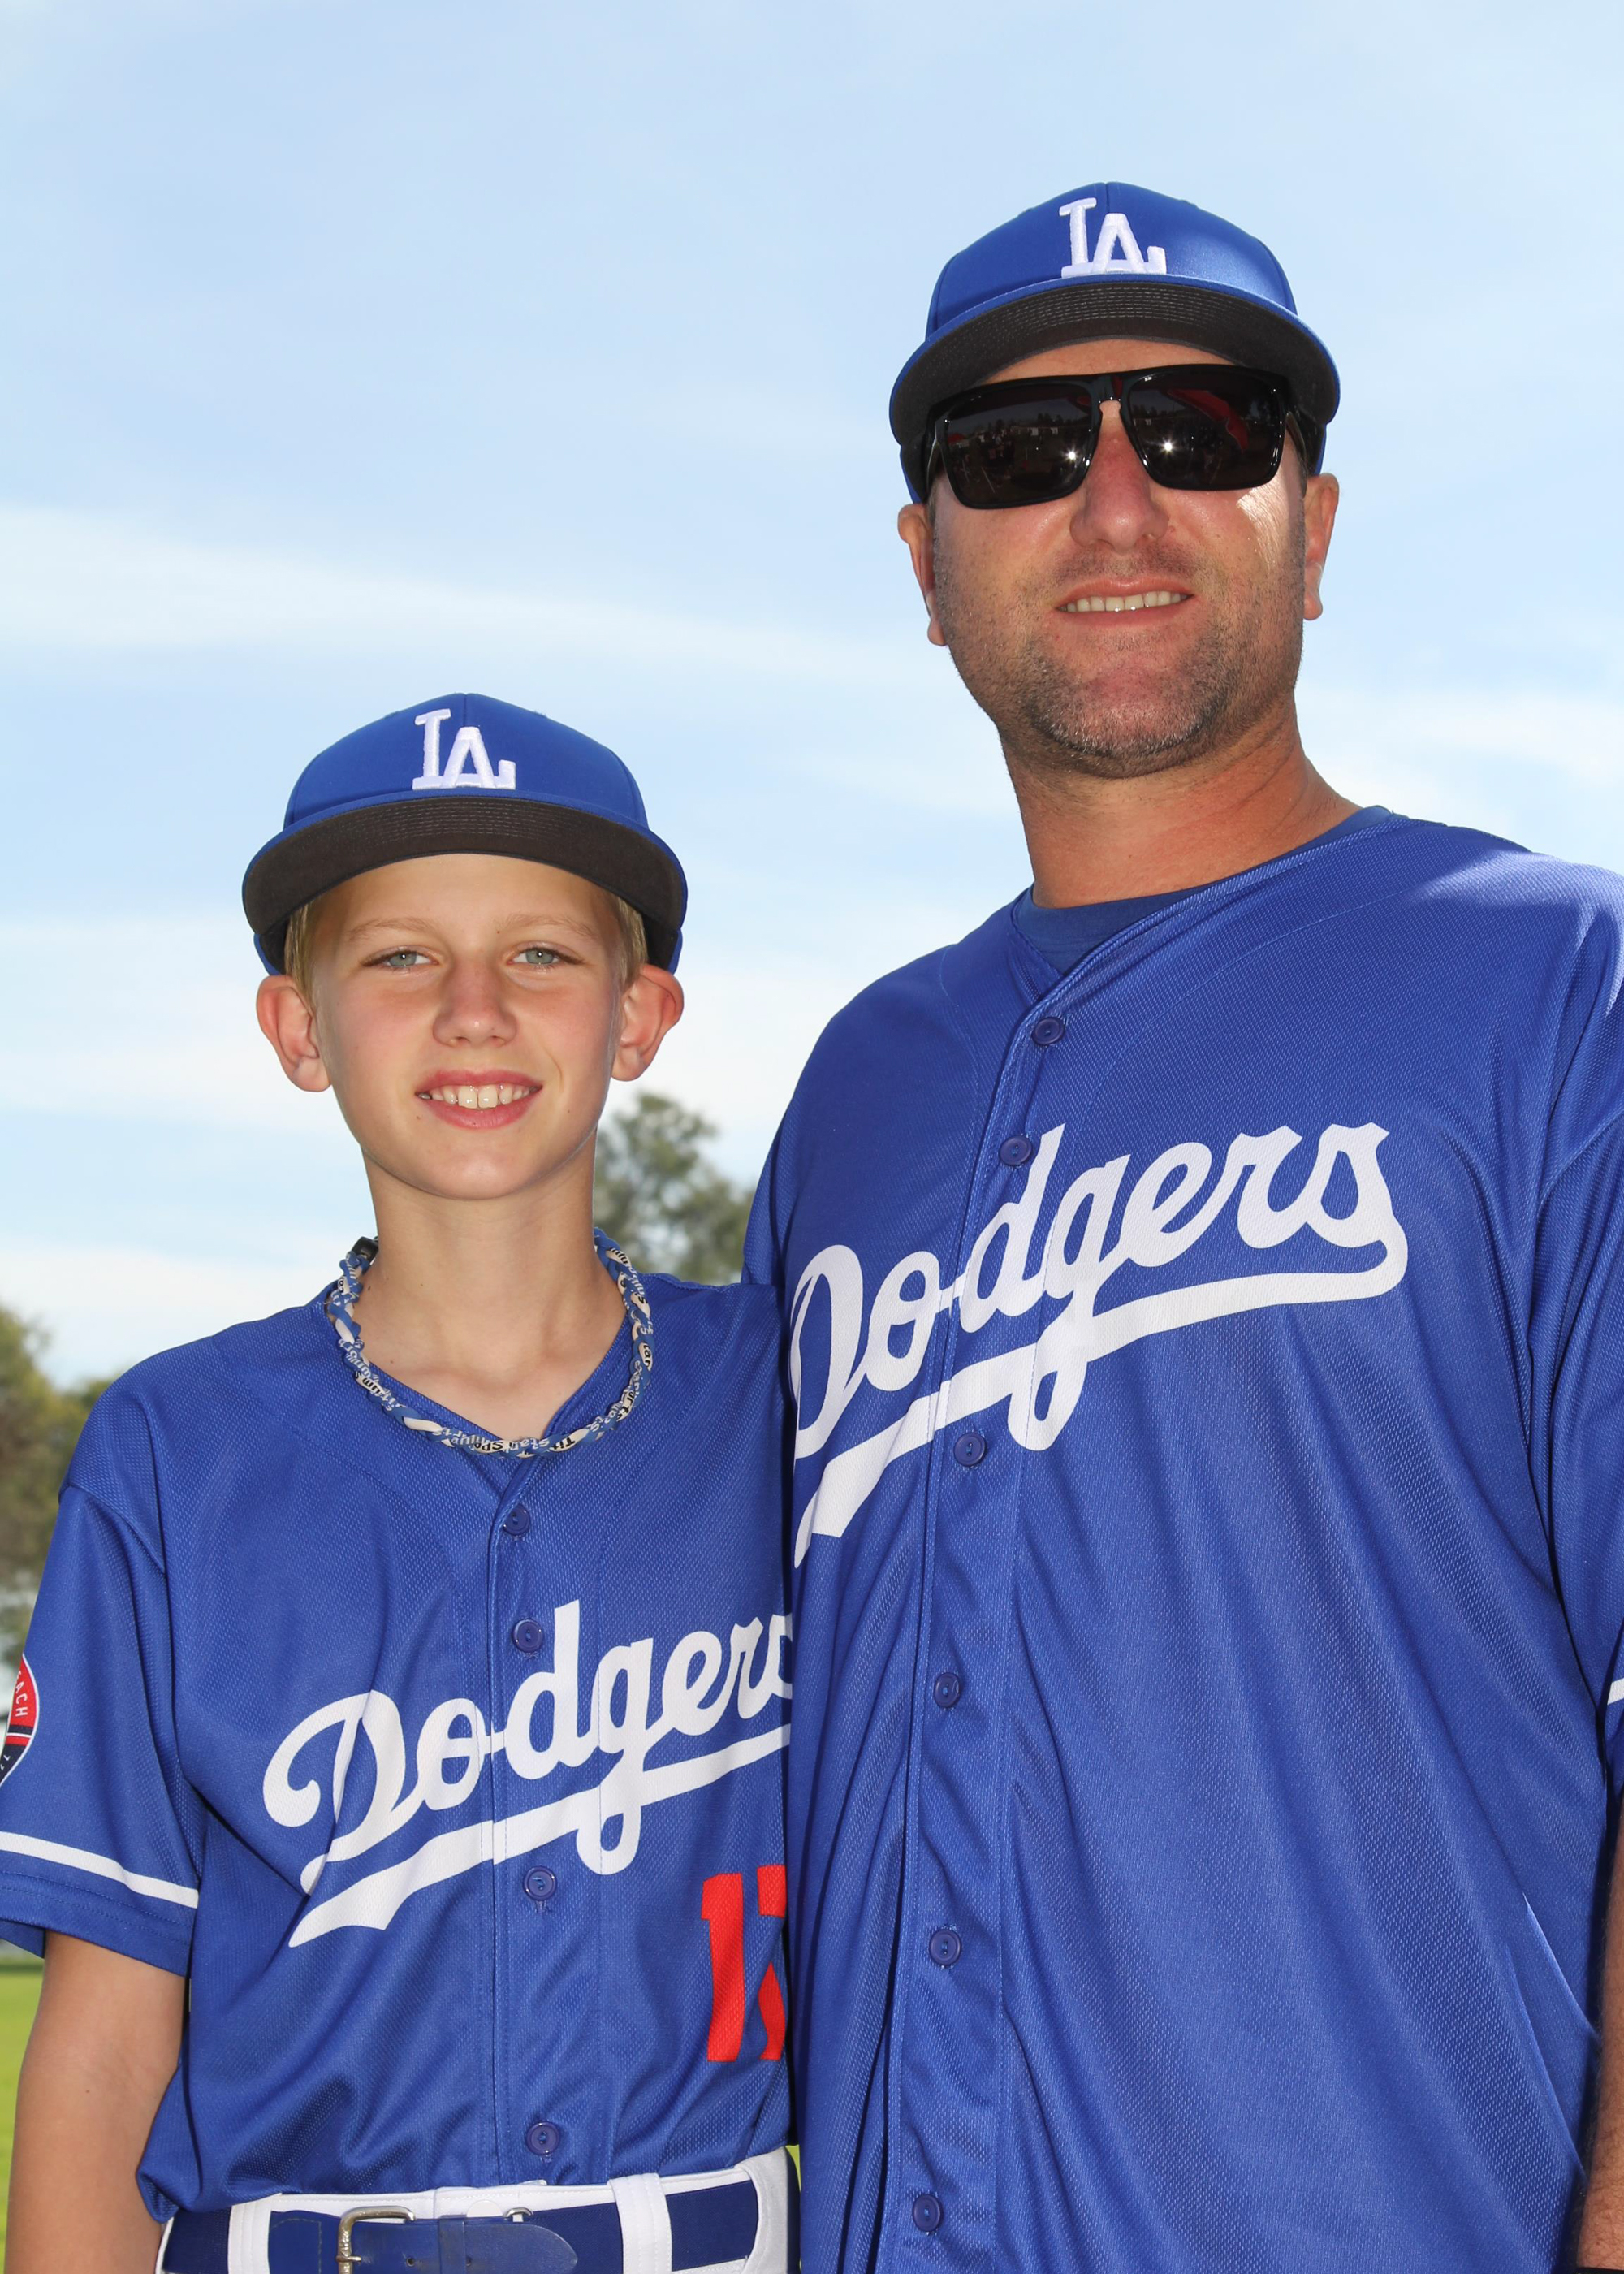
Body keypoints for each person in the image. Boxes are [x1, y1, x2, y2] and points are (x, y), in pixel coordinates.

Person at [745, 181, 1624, 2272]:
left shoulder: (1556, 987)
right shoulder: (857, 1093)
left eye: (1204, 428)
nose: (1117, 499)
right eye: (1019, 450)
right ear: (926, 565)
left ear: (1309, 527)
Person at [0, 693, 795, 2274]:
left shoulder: (782, 1398)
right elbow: (105, 2034)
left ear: (641, 1015)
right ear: (298, 1028)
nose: (474, 1010)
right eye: (401, 958)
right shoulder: (178, 1447)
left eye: (542, 954)